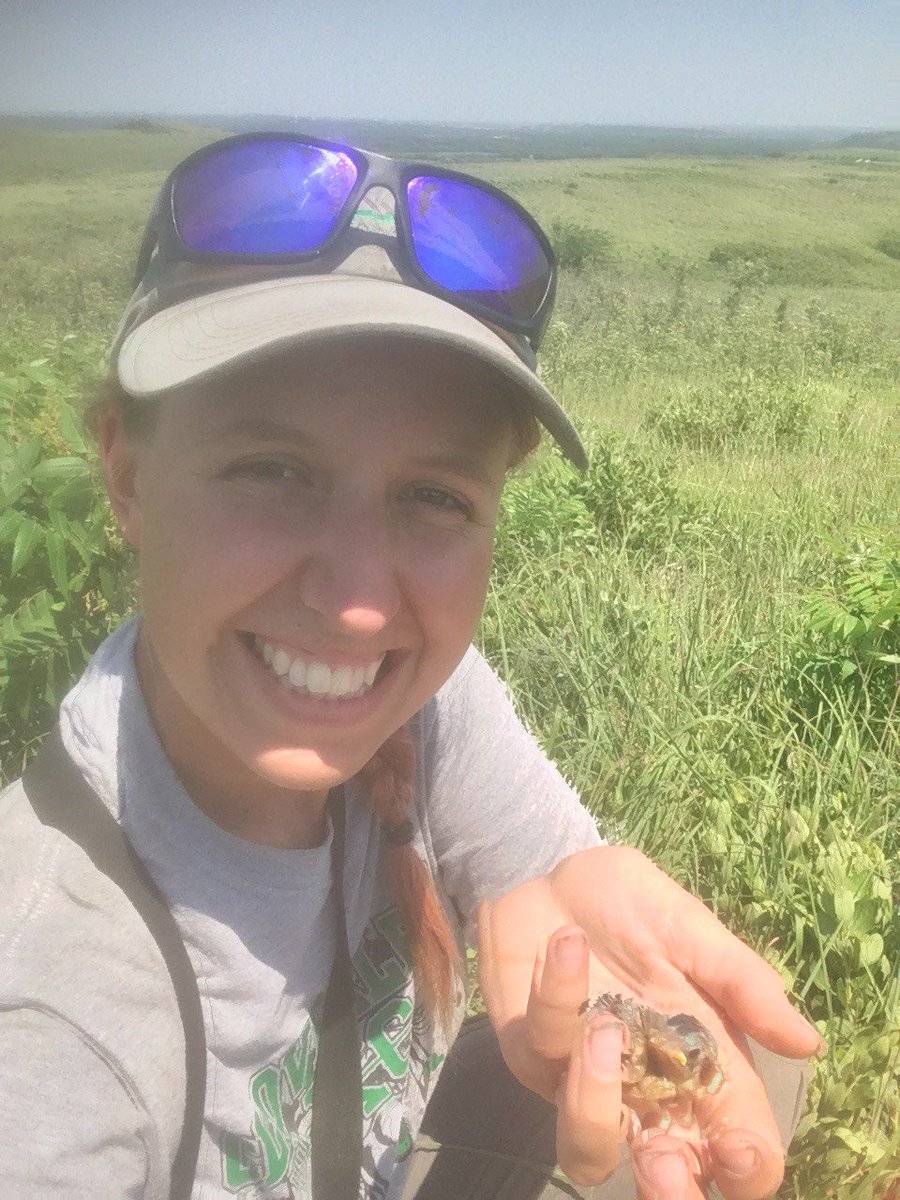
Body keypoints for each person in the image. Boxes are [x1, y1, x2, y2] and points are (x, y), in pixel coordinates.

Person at [0, 133, 819, 1200]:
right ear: (124, 473)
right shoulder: (50, 1036)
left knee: (732, 1083)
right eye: (270, 469)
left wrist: (565, 918)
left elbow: (568, 911)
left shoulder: (420, 704)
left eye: (434, 495)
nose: (358, 603)